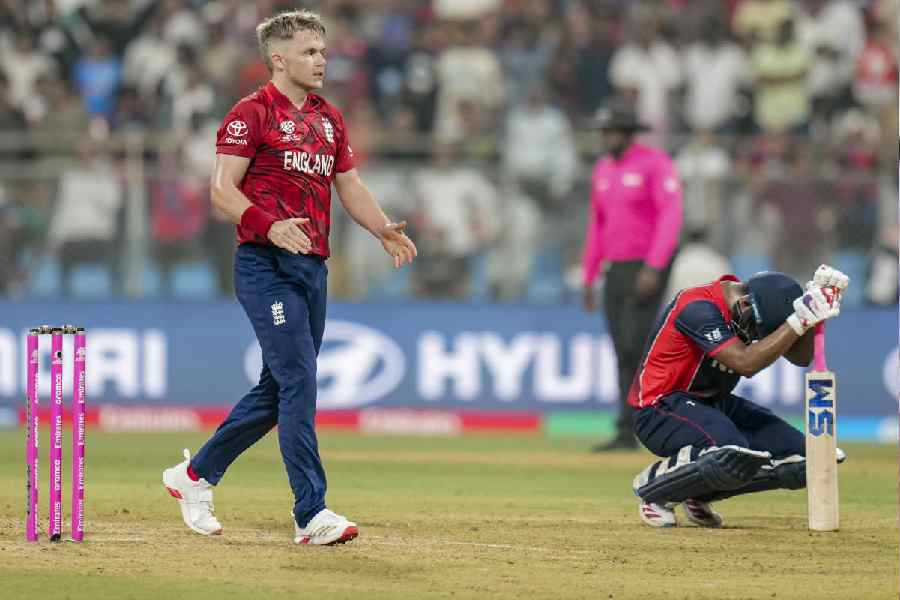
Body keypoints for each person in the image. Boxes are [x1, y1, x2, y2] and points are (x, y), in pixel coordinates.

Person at [162, 10, 417, 546]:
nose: (322, 60)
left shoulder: (329, 118)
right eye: (309, 52)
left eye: (323, 51)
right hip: (264, 265)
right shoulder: (249, 114)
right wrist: (270, 226)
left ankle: (193, 476)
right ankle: (311, 511)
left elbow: (350, 186)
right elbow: (221, 191)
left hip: (311, 265)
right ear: (279, 59)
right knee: (299, 379)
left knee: (280, 386)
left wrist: (380, 229)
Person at [631, 265, 849, 528]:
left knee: (812, 458)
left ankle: (697, 492)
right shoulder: (697, 307)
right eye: (756, 333)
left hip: (713, 404)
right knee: (730, 449)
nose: (756, 338)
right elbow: (745, 362)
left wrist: (812, 315)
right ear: (745, 304)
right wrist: (798, 321)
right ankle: (654, 489)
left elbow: (801, 358)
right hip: (659, 408)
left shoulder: (751, 309)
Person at [581, 100, 683, 452]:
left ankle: (653, 424)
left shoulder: (655, 164)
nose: (604, 138)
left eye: (610, 132)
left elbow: (670, 216)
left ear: (627, 134)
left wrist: (655, 266)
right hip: (616, 269)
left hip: (645, 267)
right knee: (622, 350)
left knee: (635, 346)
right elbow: (597, 225)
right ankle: (626, 430)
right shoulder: (603, 170)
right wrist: (589, 274)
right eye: (603, 132)